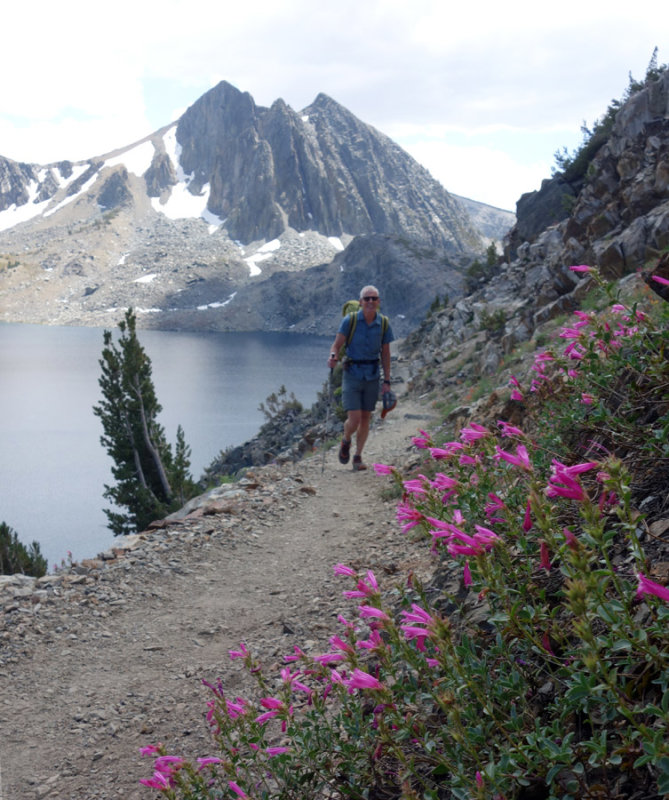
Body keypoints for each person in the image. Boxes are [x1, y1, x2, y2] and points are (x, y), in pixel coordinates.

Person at [327, 285, 394, 471]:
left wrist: (387, 380)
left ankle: (357, 456)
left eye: (374, 298)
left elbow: (386, 354)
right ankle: (346, 439)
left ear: (378, 301)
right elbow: (336, 345)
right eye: (367, 299)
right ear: (361, 302)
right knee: (354, 418)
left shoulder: (384, 324)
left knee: (366, 417)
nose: (370, 302)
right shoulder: (350, 321)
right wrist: (333, 356)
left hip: (372, 374)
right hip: (352, 373)